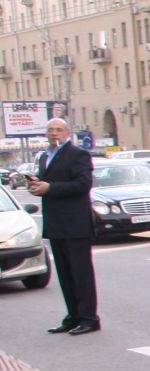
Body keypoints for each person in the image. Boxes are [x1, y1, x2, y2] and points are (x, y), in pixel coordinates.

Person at [26, 118, 99, 335]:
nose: (54, 133)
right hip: (56, 223)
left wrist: (50, 187)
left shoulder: (78, 155)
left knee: (80, 273)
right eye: (50, 130)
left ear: (67, 132)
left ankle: (89, 318)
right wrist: (36, 184)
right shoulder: (45, 156)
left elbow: (83, 184)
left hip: (76, 224)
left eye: (58, 130)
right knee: (65, 274)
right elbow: (49, 183)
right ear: (45, 133)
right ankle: (73, 316)